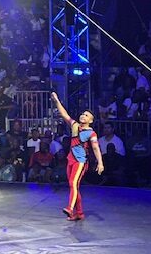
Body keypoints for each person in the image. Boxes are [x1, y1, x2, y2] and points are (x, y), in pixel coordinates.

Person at [51, 92, 104, 220]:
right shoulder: (75, 126)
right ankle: (79, 213)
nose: (83, 116)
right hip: (70, 159)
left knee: (73, 183)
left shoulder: (91, 133)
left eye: (86, 115)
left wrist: (100, 163)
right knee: (73, 186)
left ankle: (70, 208)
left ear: (90, 121)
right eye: (83, 114)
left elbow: (96, 148)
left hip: (80, 161)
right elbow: (64, 114)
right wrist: (56, 100)